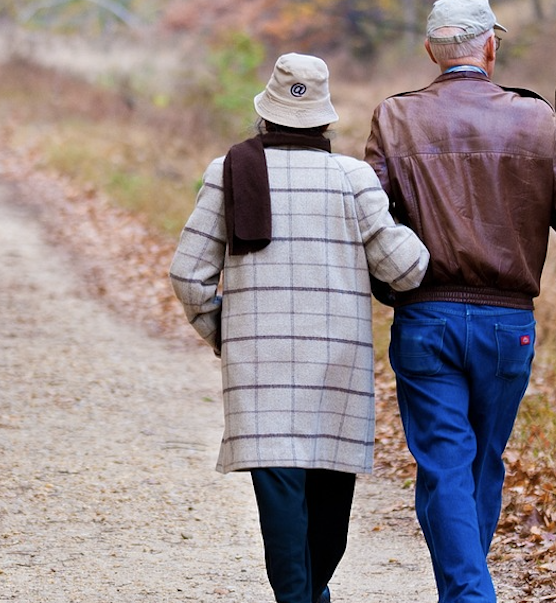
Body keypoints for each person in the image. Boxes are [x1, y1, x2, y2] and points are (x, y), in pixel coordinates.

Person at [363, 0, 556, 603]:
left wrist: (387, 281)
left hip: (426, 317)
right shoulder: (535, 120)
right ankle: (472, 595)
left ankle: (468, 594)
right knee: (478, 462)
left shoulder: (394, 118)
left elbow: (369, 219)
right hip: (507, 328)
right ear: (491, 47)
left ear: (430, 52)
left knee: (450, 465)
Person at [170, 52, 430, 603]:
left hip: (259, 370)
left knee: (281, 499)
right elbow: (405, 270)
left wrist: (225, 332)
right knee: (330, 507)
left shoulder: (229, 172)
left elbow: (188, 273)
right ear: (325, 120)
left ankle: (303, 596)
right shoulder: (352, 179)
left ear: (265, 116)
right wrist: (414, 222)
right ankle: (307, 595)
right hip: (336, 366)